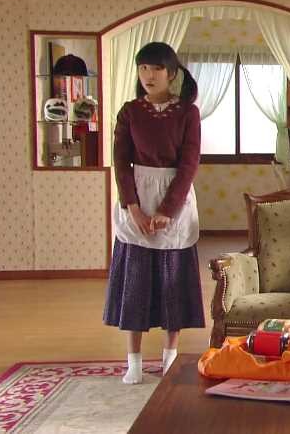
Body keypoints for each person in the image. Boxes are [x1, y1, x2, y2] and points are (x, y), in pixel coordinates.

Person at [103, 42, 203, 384]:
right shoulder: (129, 112)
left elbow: (189, 163)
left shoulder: (188, 113)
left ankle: (170, 357)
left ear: (171, 73)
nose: (148, 75)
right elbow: (120, 163)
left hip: (175, 200)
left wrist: (167, 210)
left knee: (172, 281)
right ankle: (133, 361)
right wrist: (133, 208)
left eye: (156, 68)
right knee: (135, 281)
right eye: (143, 67)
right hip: (137, 199)